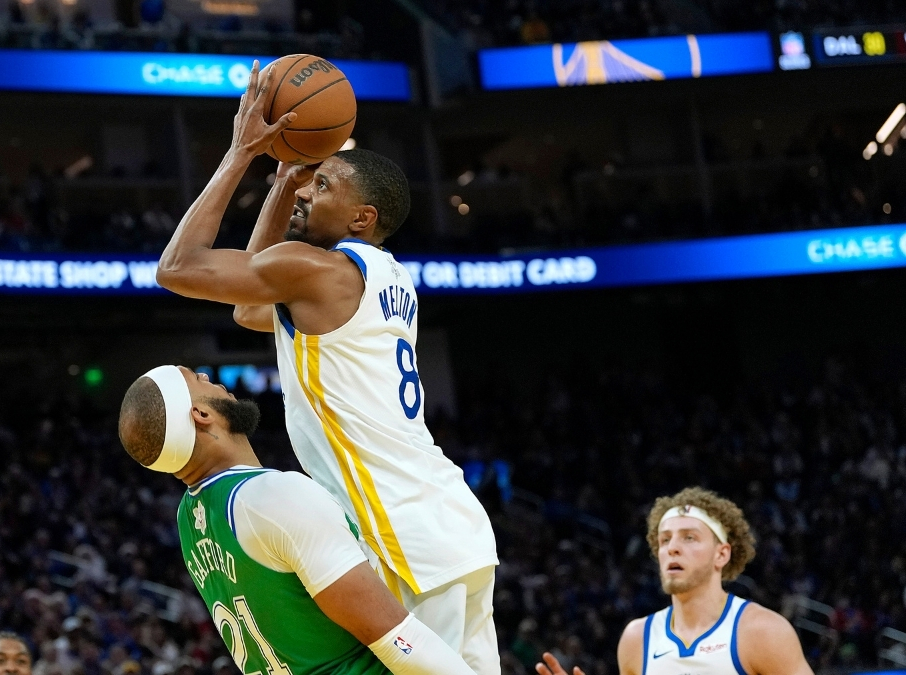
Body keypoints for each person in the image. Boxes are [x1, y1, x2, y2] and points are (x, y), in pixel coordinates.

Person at [156, 62, 498, 674]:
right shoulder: (386, 277)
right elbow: (250, 309)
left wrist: (240, 155)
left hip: (399, 528)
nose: (309, 190)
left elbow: (178, 268)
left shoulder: (318, 270)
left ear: (362, 217)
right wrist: (286, 178)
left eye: (324, 185)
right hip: (451, 522)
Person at [117, 365, 479, 675]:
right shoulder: (271, 496)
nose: (207, 375)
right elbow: (395, 637)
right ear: (201, 414)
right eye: (196, 378)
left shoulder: (189, 520)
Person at [535, 487, 813, 675]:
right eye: (665, 540)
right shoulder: (636, 639)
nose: (672, 548)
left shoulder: (761, 631)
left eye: (689, 537)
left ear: (721, 554)